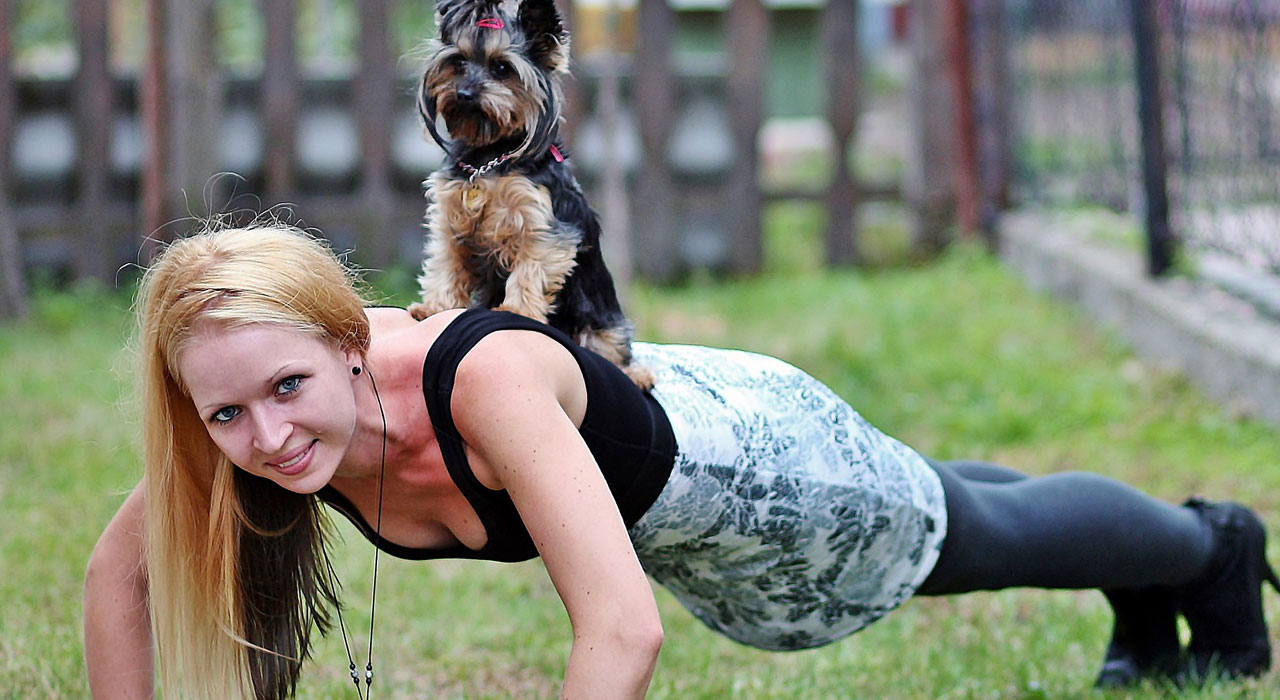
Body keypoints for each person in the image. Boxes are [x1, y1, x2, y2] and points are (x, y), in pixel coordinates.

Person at [84, 224, 1278, 700]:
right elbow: (118, 580)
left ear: (350, 343)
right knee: (949, 495)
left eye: (286, 388)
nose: (268, 438)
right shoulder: (244, 418)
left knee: (968, 540)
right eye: (225, 413)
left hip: (758, 478)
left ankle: (1210, 547)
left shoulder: (479, 382)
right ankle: (1159, 567)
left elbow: (622, 630)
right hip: (670, 450)